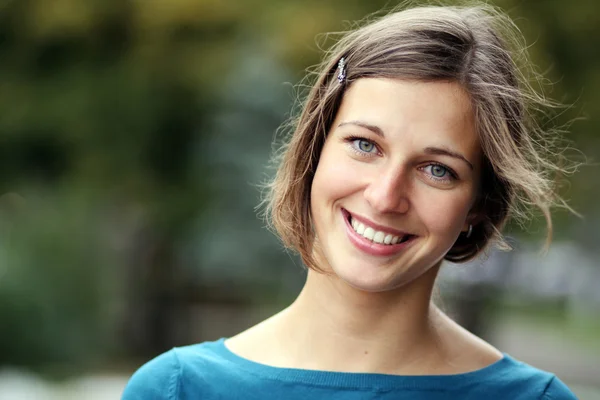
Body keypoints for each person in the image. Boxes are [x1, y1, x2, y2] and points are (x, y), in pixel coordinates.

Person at [122, 2, 578, 399]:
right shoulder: (176, 390)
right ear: (316, 147)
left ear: (478, 205)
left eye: (437, 169)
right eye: (364, 145)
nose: (385, 197)